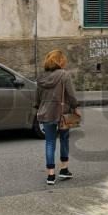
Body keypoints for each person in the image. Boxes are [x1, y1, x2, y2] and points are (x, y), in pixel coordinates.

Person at [36, 50, 80, 185]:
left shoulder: (41, 77)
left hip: (46, 113)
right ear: (60, 61)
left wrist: (38, 107)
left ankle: (50, 176)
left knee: (49, 142)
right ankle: (64, 169)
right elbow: (71, 94)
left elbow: (37, 98)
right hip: (62, 113)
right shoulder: (64, 75)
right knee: (64, 139)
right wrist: (76, 107)